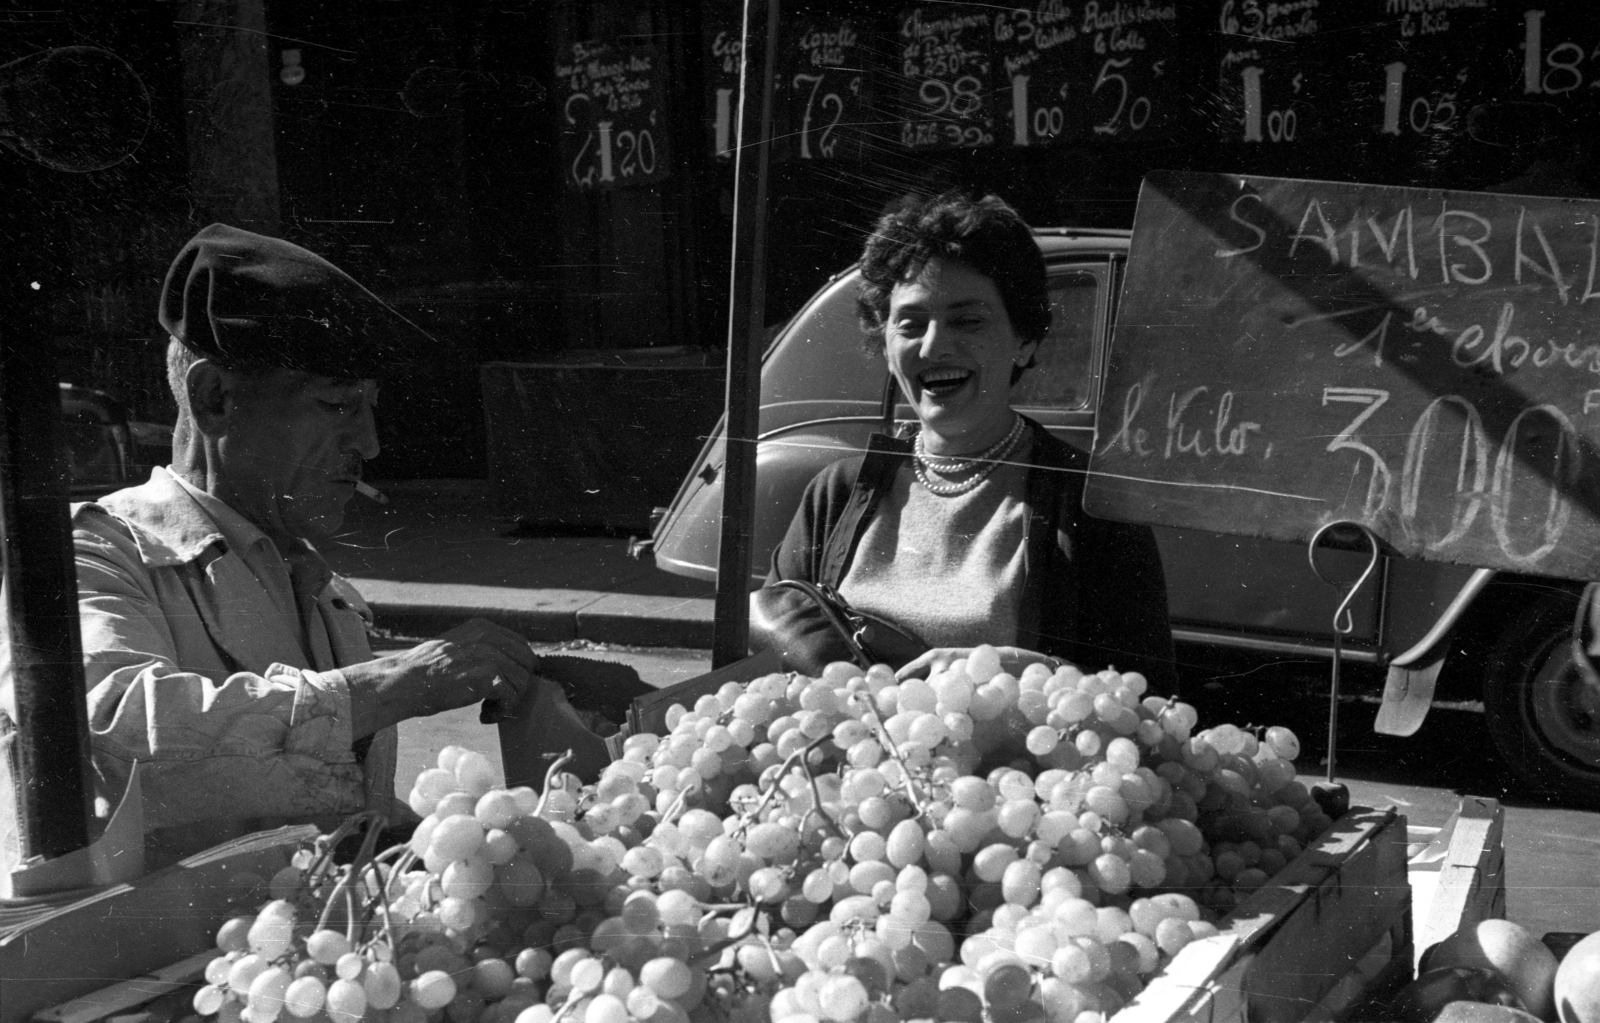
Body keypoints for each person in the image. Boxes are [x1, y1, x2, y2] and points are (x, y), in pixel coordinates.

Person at [1, 224, 552, 868]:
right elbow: (109, 729)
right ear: (216, 399)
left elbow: (320, 814)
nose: (370, 444)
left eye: (370, 409)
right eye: (336, 405)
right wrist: (397, 683)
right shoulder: (97, 552)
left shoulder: (318, 589)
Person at [760, 193, 1176, 689]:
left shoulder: (1094, 504)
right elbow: (774, 672)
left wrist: (1040, 675)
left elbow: (1146, 697)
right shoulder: (835, 494)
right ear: (886, 345)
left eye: (968, 320)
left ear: (1025, 338)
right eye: (911, 324)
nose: (935, 346)